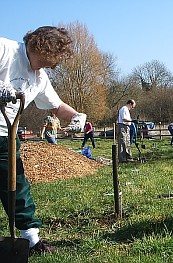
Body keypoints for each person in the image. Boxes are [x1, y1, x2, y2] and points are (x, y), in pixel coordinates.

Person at [0, 26, 86, 255]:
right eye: (52, 59)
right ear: (40, 45)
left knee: (16, 186)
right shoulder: (5, 49)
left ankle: (31, 239)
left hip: (5, 138)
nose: (54, 65)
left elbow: (56, 106)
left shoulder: (39, 77)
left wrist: (77, 116)